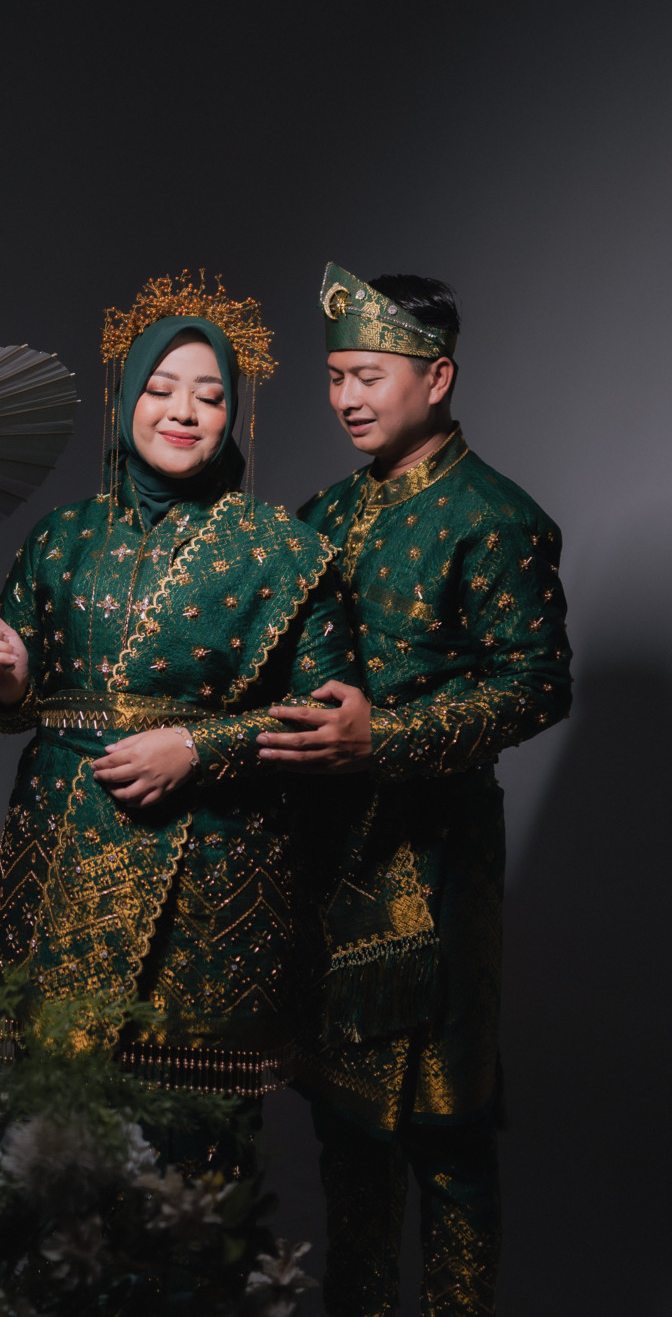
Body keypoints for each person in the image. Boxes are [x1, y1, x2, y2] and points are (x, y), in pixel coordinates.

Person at [0, 274, 354, 1166]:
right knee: (52, 1154)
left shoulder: (286, 551)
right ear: (125, 399)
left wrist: (198, 747)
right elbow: (5, 712)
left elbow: (326, 722)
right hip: (58, 865)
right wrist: (14, 683)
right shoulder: (59, 538)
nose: (184, 412)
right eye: (161, 388)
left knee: (192, 1163)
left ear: (233, 415)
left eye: (210, 396)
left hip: (211, 880)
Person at [256, 263, 572, 1315]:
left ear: (436, 378)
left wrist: (381, 737)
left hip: (434, 870)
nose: (346, 397)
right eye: (335, 376)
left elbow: (537, 684)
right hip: (328, 861)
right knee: (345, 1129)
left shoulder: (496, 518)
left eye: (370, 375)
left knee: (445, 1130)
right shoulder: (323, 511)